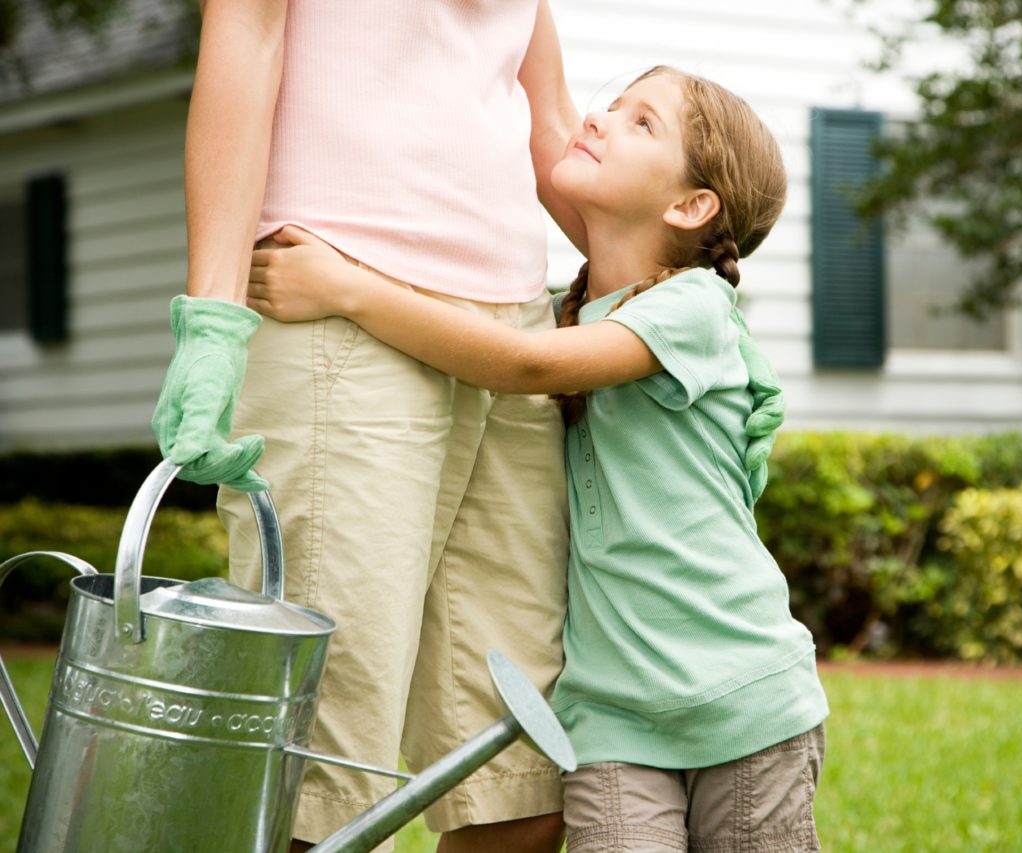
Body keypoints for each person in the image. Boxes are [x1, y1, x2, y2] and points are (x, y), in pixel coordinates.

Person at [247, 66, 830, 852]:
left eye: (641, 123)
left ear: (691, 206)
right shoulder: (584, 307)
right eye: (614, 102)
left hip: (743, 698)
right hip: (612, 715)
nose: (600, 117)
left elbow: (525, 367)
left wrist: (348, 289)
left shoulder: (693, 309)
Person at [149, 2, 591, 850]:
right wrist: (212, 317)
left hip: (512, 333)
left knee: (522, 782)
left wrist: (680, 295)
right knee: (325, 791)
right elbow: (248, 31)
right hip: (337, 304)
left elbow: (551, 119)